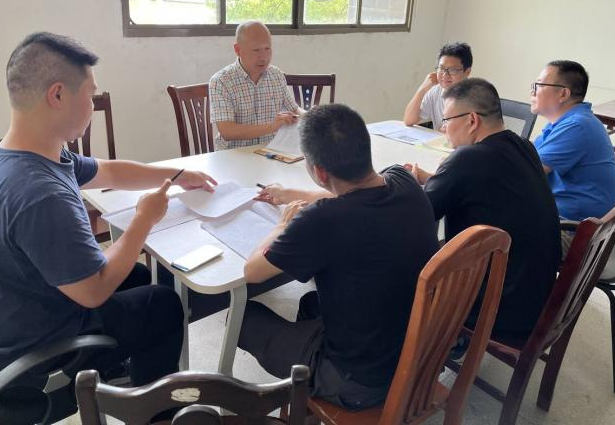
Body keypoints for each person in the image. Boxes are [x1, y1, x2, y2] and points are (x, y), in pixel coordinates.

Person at [0, 32, 217, 389]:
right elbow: (95, 291)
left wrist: (179, 174)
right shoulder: (40, 193)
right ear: (57, 95)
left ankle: (114, 370)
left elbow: (110, 172)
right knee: (163, 304)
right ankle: (149, 407)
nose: (93, 105)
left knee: (136, 275)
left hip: (20, 310)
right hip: (35, 352)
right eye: (90, 95)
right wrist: (144, 219)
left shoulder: (18, 154)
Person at [239, 104, 439, 410]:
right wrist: (292, 193)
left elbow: (252, 271)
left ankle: (310, 387)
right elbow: (353, 195)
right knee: (310, 304)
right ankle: (307, 389)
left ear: (319, 172)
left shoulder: (322, 220)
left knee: (242, 316)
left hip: (361, 382)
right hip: (416, 354)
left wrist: (281, 226)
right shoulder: (404, 180)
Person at [407, 78, 561, 342]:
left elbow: (415, 218)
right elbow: (481, 185)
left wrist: (405, 186)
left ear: (472, 120)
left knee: (402, 265)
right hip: (537, 300)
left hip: (500, 310)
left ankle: (434, 342)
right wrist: (432, 178)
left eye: (446, 120)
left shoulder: (466, 159)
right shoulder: (523, 146)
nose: (443, 128)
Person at [530, 60, 615, 254]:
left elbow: (526, 173)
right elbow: (526, 160)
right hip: (567, 223)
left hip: (570, 233)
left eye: (538, 85)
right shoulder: (564, 122)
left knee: (488, 235)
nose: (532, 92)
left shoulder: (577, 126)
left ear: (563, 93)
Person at [209, 21, 302, 150]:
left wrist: (312, 116)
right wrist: (272, 126)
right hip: (234, 154)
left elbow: (294, 110)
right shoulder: (221, 81)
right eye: (256, 50)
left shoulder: (276, 75)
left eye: (267, 49)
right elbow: (227, 131)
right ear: (238, 50)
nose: (263, 57)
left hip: (271, 151)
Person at [403, 42, 473, 129]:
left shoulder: (475, 98)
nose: (445, 75)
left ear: (467, 72)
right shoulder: (435, 90)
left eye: (452, 70)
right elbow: (408, 120)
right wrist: (422, 89)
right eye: (441, 68)